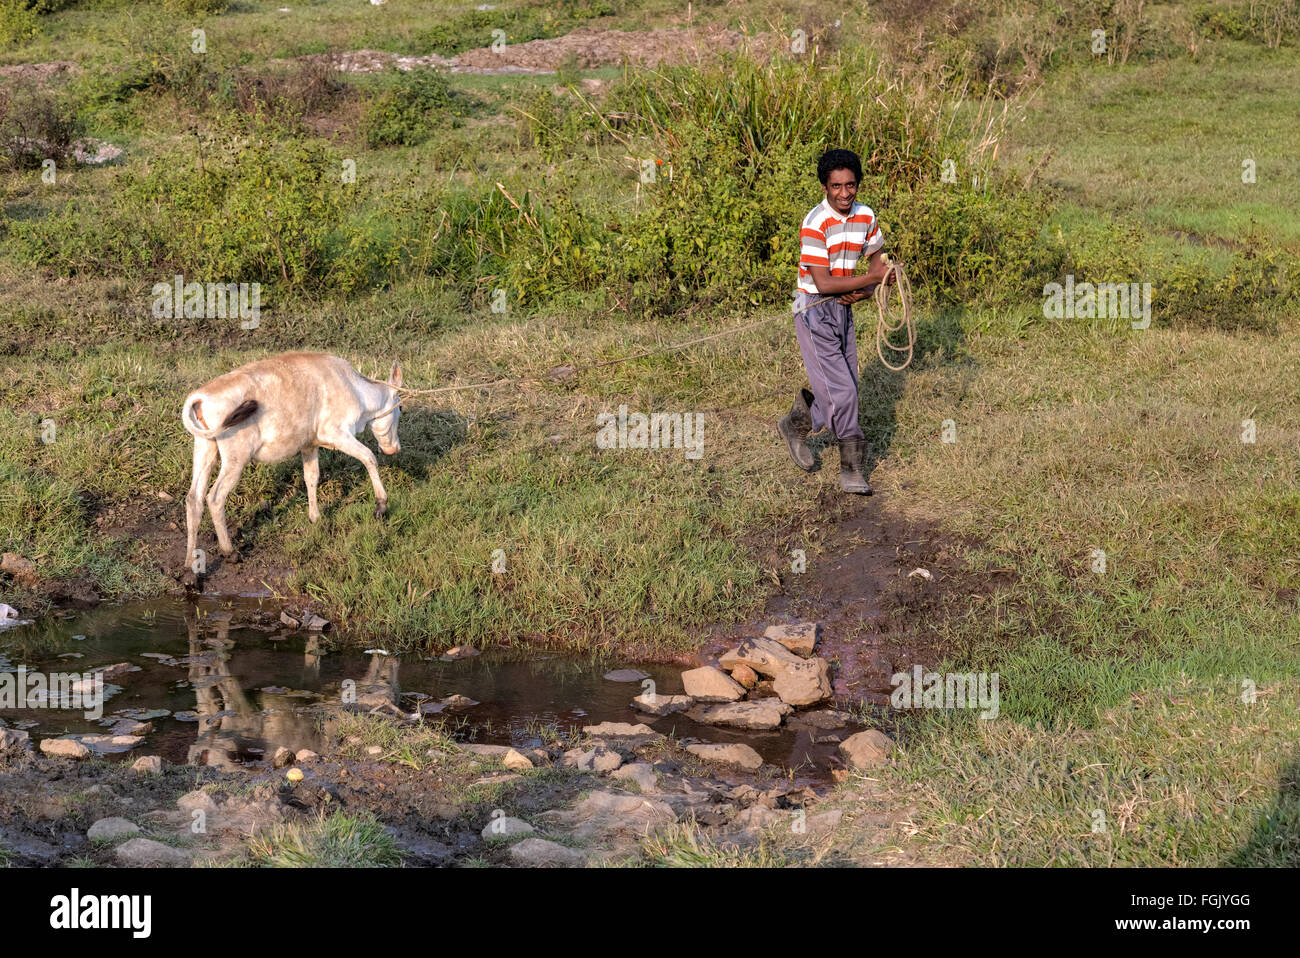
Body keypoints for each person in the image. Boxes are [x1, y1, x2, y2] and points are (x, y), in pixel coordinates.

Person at [778, 148, 895, 494]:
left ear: (857, 185)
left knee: (846, 392)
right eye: (836, 186)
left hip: (843, 307)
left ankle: (798, 422)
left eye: (851, 185)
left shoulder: (865, 216)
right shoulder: (815, 223)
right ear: (824, 187)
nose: (844, 194)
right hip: (814, 308)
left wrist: (868, 290)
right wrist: (869, 282)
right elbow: (825, 282)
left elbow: (877, 263)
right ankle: (851, 471)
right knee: (842, 393)